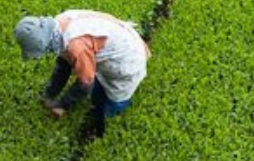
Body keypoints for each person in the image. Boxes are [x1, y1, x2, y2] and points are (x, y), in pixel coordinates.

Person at [14, 10, 151, 138]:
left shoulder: (76, 47)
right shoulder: (60, 24)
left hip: (127, 61)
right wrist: (50, 94)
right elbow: (63, 65)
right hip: (120, 42)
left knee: (111, 101)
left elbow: (85, 83)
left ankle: (112, 114)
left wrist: (62, 106)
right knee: (97, 88)